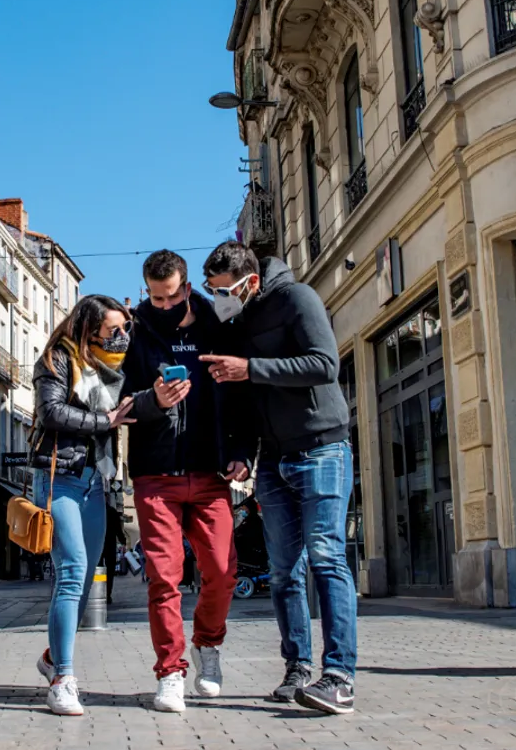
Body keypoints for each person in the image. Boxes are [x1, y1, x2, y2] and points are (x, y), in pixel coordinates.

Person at [200, 241, 356, 715]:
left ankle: (340, 677)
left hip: (322, 447)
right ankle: (298, 670)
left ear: (249, 282)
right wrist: (242, 453)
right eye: (212, 291)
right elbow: (247, 400)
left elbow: (325, 364)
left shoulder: (298, 299)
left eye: (223, 290)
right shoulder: (237, 323)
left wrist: (252, 368)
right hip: (273, 460)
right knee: (285, 571)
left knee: (327, 556)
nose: (218, 299)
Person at [122, 250, 251, 714]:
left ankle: (207, 645)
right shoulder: (133, 329)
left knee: (221, 570)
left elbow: (239, 392)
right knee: (164, 577)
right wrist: (153, 400)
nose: (162, 304)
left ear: (187, 285)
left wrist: (241, 452)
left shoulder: (216, 323)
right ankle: (171, 672)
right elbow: (119, 403)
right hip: (155, 473)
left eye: (171, 295)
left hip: (210, 469)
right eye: (155, 297)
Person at [31, 295, 136, 716]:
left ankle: (53, 657)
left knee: (86, 578)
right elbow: (50, 412)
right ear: (89, 328)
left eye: (123, 329)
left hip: (96, 482)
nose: (120, 336)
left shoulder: (110, 372)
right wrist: (105, 421)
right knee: (72, 570)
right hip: (60, 478)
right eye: (113, 329)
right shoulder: (57, 360)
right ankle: (63, 680)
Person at [101, 486, 127, 604]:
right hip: (109, 545)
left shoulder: (94, 512)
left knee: (99, 570)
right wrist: (123, 541)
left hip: (98, 546)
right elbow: (118, 529)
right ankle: (107, 594)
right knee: (110, 572)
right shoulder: (112, 511)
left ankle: (100, 592)